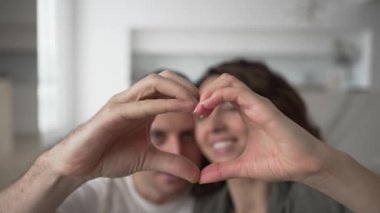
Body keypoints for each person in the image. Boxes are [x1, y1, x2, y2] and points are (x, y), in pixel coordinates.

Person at [0, 70, 204, 213]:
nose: (176, 151)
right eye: (158, 135)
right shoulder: (96, 194)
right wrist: (59, 171)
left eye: (188, 136)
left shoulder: (215, 198)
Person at [193, 59, 380, 213]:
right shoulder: (204, 208)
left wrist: (318, 165)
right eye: (202, 115)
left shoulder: (326, 200)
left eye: (230, 108)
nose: (214, 126)